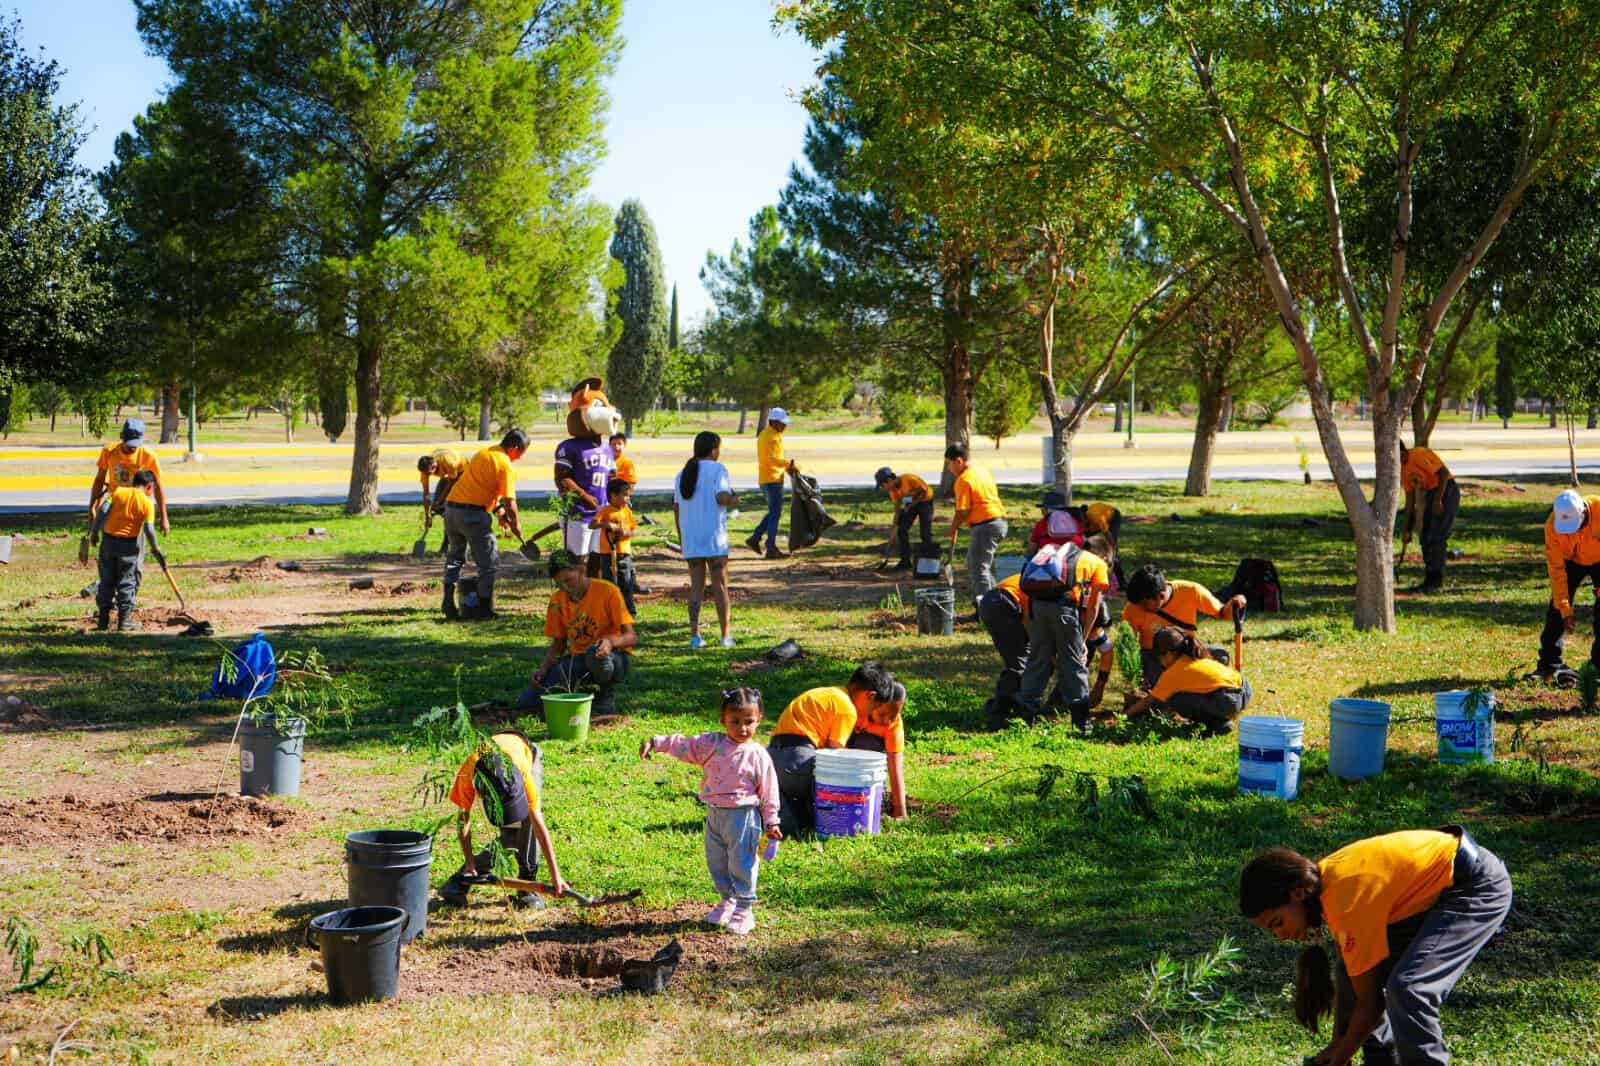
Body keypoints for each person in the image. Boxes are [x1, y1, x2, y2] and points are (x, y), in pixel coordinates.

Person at [1240, 827, 1512, 1066]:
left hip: (1474, 887)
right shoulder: (1328, 889)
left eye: (1277, 923)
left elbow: (1370, 1005)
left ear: (1298, 893)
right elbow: (1358, 981)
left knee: (1410, 988)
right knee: (1350, 972)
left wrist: (1340, 1056)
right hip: (1430, 897)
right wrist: (1338, 1045)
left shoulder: (1346, 902)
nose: (1281, 935)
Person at [639, 687, 780, 935]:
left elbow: (769, 791)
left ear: (759, 719)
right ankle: (728, 901)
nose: (742, 728)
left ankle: (744, 909)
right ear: (723, 720)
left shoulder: (758, 755)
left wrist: (772, 821)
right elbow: (686, 745)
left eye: (748, 721)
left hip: (743, 817)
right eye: (735, 721)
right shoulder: (712, 745)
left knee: (743, 861)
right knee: (717, 861)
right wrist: (656, 742)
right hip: (714, 814)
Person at [766, 663, 904, 837]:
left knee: (795, 818)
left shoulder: (830, 693)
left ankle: (789, 825)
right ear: (870, 696)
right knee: (837, 788)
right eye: (874, 708)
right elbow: (836, 756)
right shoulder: (847, 709)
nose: (871, 712)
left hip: (773, 759)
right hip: (799, 761)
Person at [437, 730, 568, 908]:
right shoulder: (469, 772)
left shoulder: (523, 771)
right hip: (495, 758)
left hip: (523, 752)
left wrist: (556, 876)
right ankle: (462, 877)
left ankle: (527, 883)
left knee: (527, 824)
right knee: (510, 839)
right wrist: (469, 862)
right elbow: (463, 821)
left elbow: (539, 825)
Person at [521, 549, 636, 717]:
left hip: (613, 658)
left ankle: (604, 694)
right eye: (560, 584)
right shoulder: (557, 600)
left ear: (582, 570)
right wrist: (543, 670)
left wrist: (610, 642)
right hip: (577, 661)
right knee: (527, 702)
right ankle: (583, 690)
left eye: (569, 580)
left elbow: (631, 637)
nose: (566, 587)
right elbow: (559, 643)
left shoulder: (608, 591)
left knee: (594, 654)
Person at [1015, 534, 1113, 730]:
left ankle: (1024, 717)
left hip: (1037, 607)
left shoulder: (1069, 557)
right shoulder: (1098, 564)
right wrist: (1082, 640)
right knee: (1074, 663)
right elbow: (1094, 607)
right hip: (1064, 611)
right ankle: (1082, 722)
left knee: (1037, 660)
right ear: (1104, 557)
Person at [442, 429, 528, 621]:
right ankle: (483, 609)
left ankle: (448, 601)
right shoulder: (504, 464)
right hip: (473, 516)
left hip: (452, 511)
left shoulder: (485, 453)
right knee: (488, 564)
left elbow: (480, 486)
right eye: (521, 453)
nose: (520, 458)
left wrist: (499, 512)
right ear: (514, 448)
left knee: (454, 558)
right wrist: (516, 524)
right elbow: (510, 501)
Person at [1122, 563, 1244, 687]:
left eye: (1144, 604)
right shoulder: (1133, 608)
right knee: (1156, 678)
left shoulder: (1191, 591)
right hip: (1156, 656)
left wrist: (1236, 602)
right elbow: (1126, 645)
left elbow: (1222, 613)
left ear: (1161, 596)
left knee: (1221, 657)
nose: (1140, 608)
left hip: (1187, 652)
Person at [1121, 626, 1251, 735]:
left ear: (1169, 654)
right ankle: (1222, 715)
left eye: (1159, 657)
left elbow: (1149, 701)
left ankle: (1218, 724)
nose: (1160, 662)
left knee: (1177, 700)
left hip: (1228, 701)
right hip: (1244, 689)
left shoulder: (1174, 672)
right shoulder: (1196, 655)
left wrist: (1125, 715)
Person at [674, 431, 739, 649]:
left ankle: (695, 635)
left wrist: (682, 538)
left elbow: (676, 508)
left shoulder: (682, 474)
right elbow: (722, 498)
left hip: (691, 538)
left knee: (696, 588)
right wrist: (735, 500)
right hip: (714, 538)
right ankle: (725, 635)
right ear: (713, 450)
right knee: (720, 586)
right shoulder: (718, 469)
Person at [1530, 488, 1600, 683]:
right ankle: (1548, 666)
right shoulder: (1552, 526)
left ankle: (1597, 669)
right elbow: (1556, 570)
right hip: (1571, 561)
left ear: (1583, 512)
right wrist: (1564, 608)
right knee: (1556, 609)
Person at [87, 470, 167, 632]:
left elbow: (103, 510)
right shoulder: (147, 504)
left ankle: (103, 621)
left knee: (106, 580)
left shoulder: (118, 492)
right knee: (127, 582)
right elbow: (149, 529)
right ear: (149, 486)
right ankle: (124, 621)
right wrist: (156, 548)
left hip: (108, 542)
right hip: (129, 547)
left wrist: (94, 532)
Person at [554, 388, 619, 574]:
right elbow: (562, 478)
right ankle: (573, 590)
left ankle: (592, 589)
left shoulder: (606, 448)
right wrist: (584, 496)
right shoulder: (569, 447)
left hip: (600, 514)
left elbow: (611, 477)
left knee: (597, 559)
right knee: (577, 560)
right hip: (578, 514)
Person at [944, 444, 1009, 607]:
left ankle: (987, 610)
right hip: (998, 521)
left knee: (979, 569)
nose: (949, 468)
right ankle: (996, 601)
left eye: (949, 464)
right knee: (975, 564)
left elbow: (963, 511)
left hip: (986, 524)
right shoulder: (981, 471)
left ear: (959, 461)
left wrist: (952, 528)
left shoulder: (964, 479)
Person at [842, 679, 910, 823]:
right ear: (874, 703)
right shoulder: (854, 709)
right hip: (842, 759)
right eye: (882, 714)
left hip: (867, 772)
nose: (887, 721)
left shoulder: (893, 725)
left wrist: (900, 811)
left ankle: (873, 794)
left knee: (869, 742)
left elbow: (895, 767)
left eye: (893, 716)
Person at [89, 418, 170, 536]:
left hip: (137, 508)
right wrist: (92, 507)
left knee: (136, 543)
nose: (133, 448)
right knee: (110, 540)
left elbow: (158, 487)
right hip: (114, 506)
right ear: (121, 436)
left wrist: (164, 517)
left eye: (136, 444)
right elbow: (99, 481)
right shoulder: (109, 451)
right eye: (130, 444)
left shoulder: (149, 456)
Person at [1398, 442, 1459, 594]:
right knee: (1425, 537)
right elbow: (1410, 501)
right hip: (1431, 494)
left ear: (1402, 450)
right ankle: (1429, 579)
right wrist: (1406, 529)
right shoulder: (1402, 469)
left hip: (1445, 490)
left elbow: (1443, 473)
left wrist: (1438, 499)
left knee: (1437, 537)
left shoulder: (1418, 454)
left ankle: (1436, 582)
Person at [747, 407, 796, 559]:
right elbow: (772, 459)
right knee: (775, 513)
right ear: (773, 422)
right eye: (782, 423)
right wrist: (789, 465)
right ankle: (770, 547)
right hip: (772, 479)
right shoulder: (772, 437)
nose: (785, 426)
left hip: (766, 478)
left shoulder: (765, 434)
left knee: (774, 512)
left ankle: (756, 537)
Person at [591, 478, 639, 615]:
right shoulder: (605, 511)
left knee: (626, 584)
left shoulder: (627, 511)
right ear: (613, 495)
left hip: (624, 555)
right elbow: (592, 524)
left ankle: (629, 612)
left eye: (629, 495)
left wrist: (627, 532)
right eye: (625, 495)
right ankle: (610, 611)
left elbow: (634, 530)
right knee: (610, 584)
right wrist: (607, 525)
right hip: (607, 555)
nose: (627, 498)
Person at [874, 467, 936, 572]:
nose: (883, 488)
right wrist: (894, 529)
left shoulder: (908, 479)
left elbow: (924, 491)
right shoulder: (892, 491)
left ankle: (929, 563)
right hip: (911, 503)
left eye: (882, 485)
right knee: (901, 530)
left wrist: (912, 504)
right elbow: (898, 509)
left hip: (925, 500)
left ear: (889, 480)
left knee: (925, 533)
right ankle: (905, 562)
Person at [416, 447, 464, 541]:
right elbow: (426, 494)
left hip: (461, 470)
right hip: (448, 474)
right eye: (426, 473)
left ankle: (449, 536)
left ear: (434, 465)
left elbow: (452, 482)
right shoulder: (425, 470)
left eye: (429, 473)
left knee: (449, 504)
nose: (428, 475)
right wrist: (427, 515)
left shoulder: (448, 462)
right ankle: (441, 511)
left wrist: (440, 501)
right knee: (437, 503)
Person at [1079, 501, 1126, 588]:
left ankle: (1122, 582)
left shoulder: (1097, 518)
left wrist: (1113, 551)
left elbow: (1108, 536)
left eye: (1084, 523)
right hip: (1095, 523)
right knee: (1086, 548)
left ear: (1086, 519)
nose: (1082, 525)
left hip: (1113, 517)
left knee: (1114, 553)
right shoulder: (1080, 520)